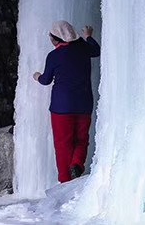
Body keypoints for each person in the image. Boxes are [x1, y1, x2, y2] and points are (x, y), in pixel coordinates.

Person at [33, 20, 100, 183]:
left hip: (61, 107)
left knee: (63, 144)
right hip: (84, 103)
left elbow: (46, 80)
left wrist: (37, 77)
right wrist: (88, 37)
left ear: (56, 39)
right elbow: (96, 51)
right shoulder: (83, 48)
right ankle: (77, 163)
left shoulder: (54, 56)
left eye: (50, 36)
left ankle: (65, 180)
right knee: (82, 138)